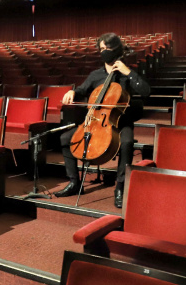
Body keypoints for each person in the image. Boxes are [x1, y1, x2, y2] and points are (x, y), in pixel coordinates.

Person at [55, 33, 151, 207]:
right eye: (101, 49)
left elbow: (145, 91)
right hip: (97, 121)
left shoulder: (126, 74)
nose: (104, 51)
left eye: (108, 48)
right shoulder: (96, 75)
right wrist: (72, 91)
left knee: (127, 142)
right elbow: (82, 90)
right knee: (65, 138)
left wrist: (128, 72)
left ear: (117, 49)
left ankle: (120, 186)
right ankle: (74, 182)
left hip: (121, 121)